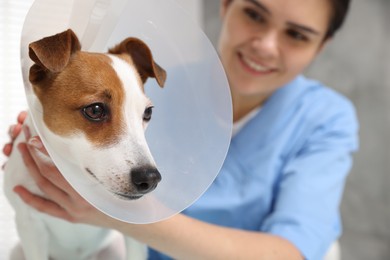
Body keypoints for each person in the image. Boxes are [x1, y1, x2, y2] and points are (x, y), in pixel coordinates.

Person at [3, 0, 358, 259]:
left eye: (296, 35)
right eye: (254, 14)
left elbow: (291, 252)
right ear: (225, 6)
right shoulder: (155, 84)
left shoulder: (325, 119)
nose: (265, 45)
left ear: (322, 46)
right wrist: (52, 145)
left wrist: (124, 215)